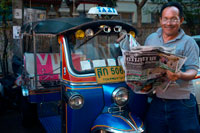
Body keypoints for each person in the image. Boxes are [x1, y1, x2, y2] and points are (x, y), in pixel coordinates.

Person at [144, 2, 200, 133]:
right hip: (157, 100)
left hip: (182, 102)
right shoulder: (151, 39)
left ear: (181, 20)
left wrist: (179, 75)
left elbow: (193, 70)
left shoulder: (189, 42)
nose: (169, 23)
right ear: (160, 20)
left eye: (173, 19)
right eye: (165, 19)